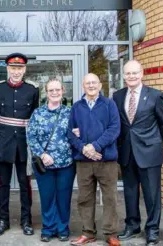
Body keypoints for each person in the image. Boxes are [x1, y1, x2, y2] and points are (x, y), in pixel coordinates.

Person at [112, 60, 163, 246]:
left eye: (135, 73)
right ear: (123, 75)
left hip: (149, 153)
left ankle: (152, 230)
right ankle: (132, 225)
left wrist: (153, 143)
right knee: (129, 192)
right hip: (127, 152)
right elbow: (120, 125)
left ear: (142, 73)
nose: (131, 76)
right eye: (128, 73)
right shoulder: (118, 96)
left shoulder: (155, 95)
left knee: (152, 194)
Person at [67, 73, 121, 246]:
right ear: (83, 86)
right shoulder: (76, 107)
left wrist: (95, 146)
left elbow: (114, 129)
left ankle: (111, 233)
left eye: (94, 83)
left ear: (99, 85)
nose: (91, 86)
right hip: (84, 162)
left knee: (110, 198)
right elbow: (70, 133)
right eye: (87, 83)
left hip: (107, 161)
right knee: (84, 198)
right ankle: (88, 232)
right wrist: (84, 148)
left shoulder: (109, 104)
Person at [0, 53, 39, 236]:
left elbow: (33, 117)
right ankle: (3, 220)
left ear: (24, 69)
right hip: (3, 142)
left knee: (24, 183)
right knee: (3, 184)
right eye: (13, 68)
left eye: (19, 68)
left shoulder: (33, 90)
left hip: (23, 143)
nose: (16, 71)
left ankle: (27, 220)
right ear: (7, 69)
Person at [26, 78, 75, 242]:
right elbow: (31, 136)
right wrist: (42, 154)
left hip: (66, 164)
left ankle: (62, 228)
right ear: (46, 93)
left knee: (63, 197)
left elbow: (75, 135)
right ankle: (48, 228)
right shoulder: (37, 113)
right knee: (47, 197)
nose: (55, 93)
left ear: (63, 91)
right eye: (51, 90)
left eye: (57, 90)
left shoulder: (70, 112)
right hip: (44, 164)